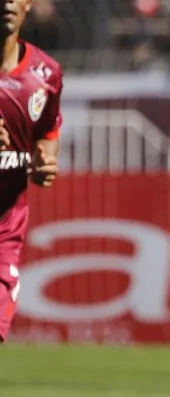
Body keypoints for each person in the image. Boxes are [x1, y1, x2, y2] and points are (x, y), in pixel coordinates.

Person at [0, 0, 62, 344]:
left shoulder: (46, 74)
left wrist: (44, 165)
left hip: (4, 232)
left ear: (28, 4)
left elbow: (47, 136)